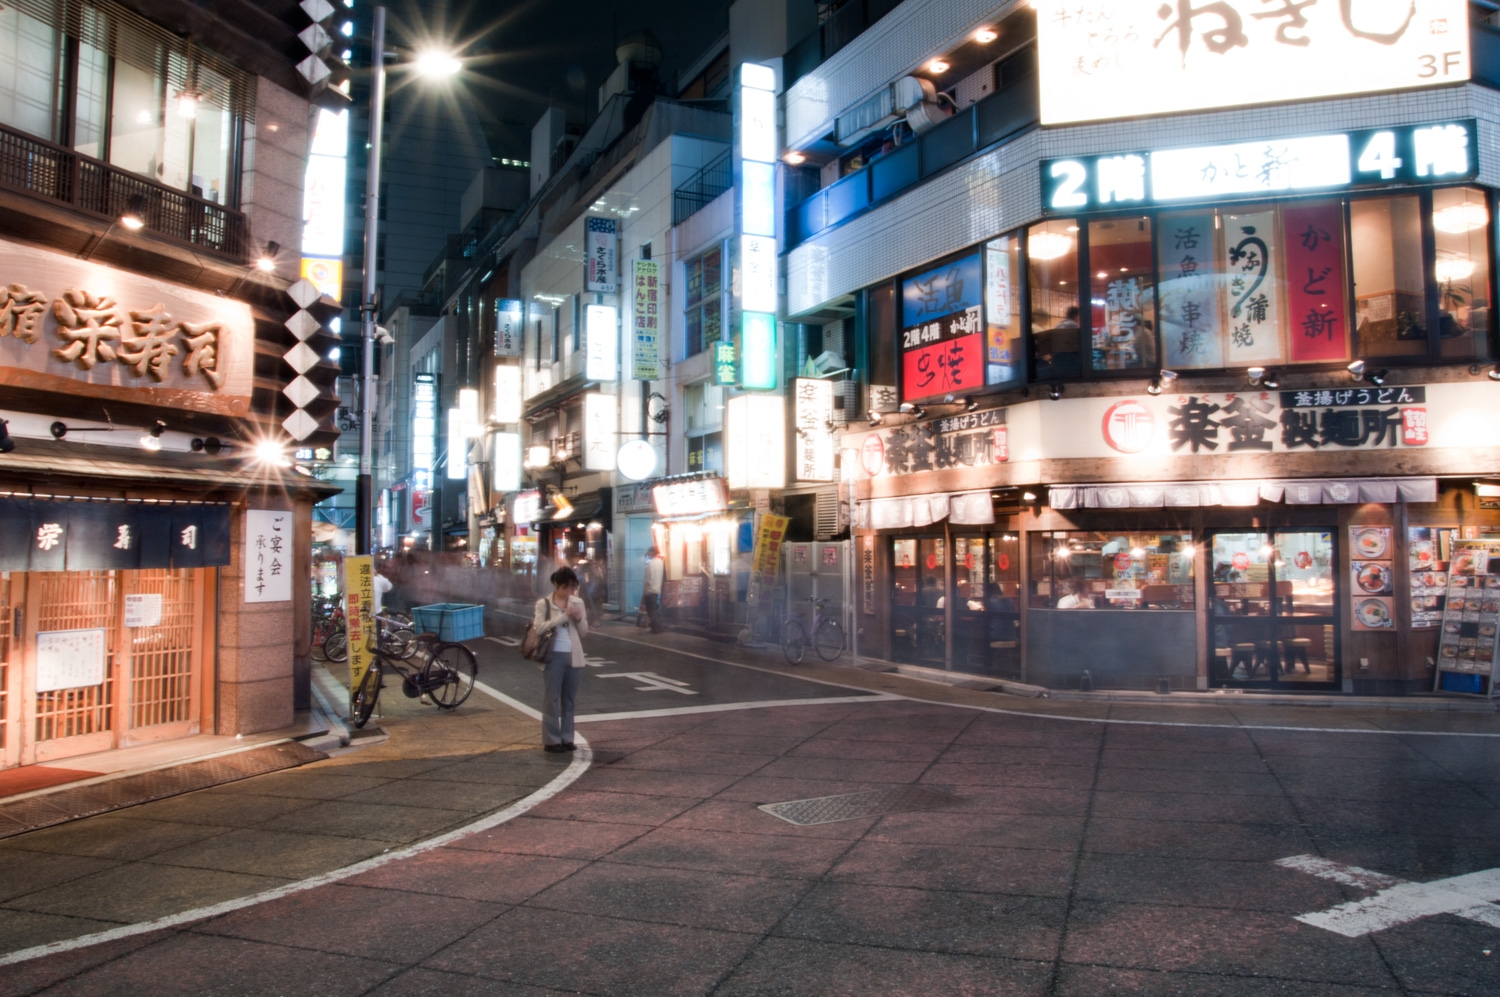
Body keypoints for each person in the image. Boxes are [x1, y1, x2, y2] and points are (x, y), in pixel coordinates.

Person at [533, 566, 590, 753]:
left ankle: (567, 737)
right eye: (566, 587)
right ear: (557, 584)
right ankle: (551, 740)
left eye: (573, 587)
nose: (570, 591)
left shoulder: (578, 602)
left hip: (574, 654)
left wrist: (579, 618)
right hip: (553, 655)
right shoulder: (544, 604)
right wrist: (564, 616)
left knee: (569, 699)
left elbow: (584, 632)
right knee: (552, 699)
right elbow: (539, 628)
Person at [640, 547, 664, 633]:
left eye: (649, 552)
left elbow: (649, 578)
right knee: (654, 609)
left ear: (652, 553)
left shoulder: (651, 563)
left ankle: (655, 628)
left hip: (650, 590)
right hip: (657, 589)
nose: (648, 554)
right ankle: (658, 627)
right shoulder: (660, 562)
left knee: (650, 610)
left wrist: (645, 589)